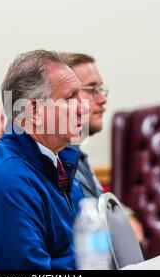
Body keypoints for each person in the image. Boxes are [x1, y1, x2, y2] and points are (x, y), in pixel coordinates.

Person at [0, 50, 87, 269]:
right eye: (70, 97)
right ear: (34, 110)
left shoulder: (61, 162)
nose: (83, 108)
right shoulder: (7, 181)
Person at [60, 52, 145, 242]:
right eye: (91, 89)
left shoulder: (76, 154)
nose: (102, 99)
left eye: (101, 89)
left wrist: (126, 215)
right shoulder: (58, 163)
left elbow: (98, 202)